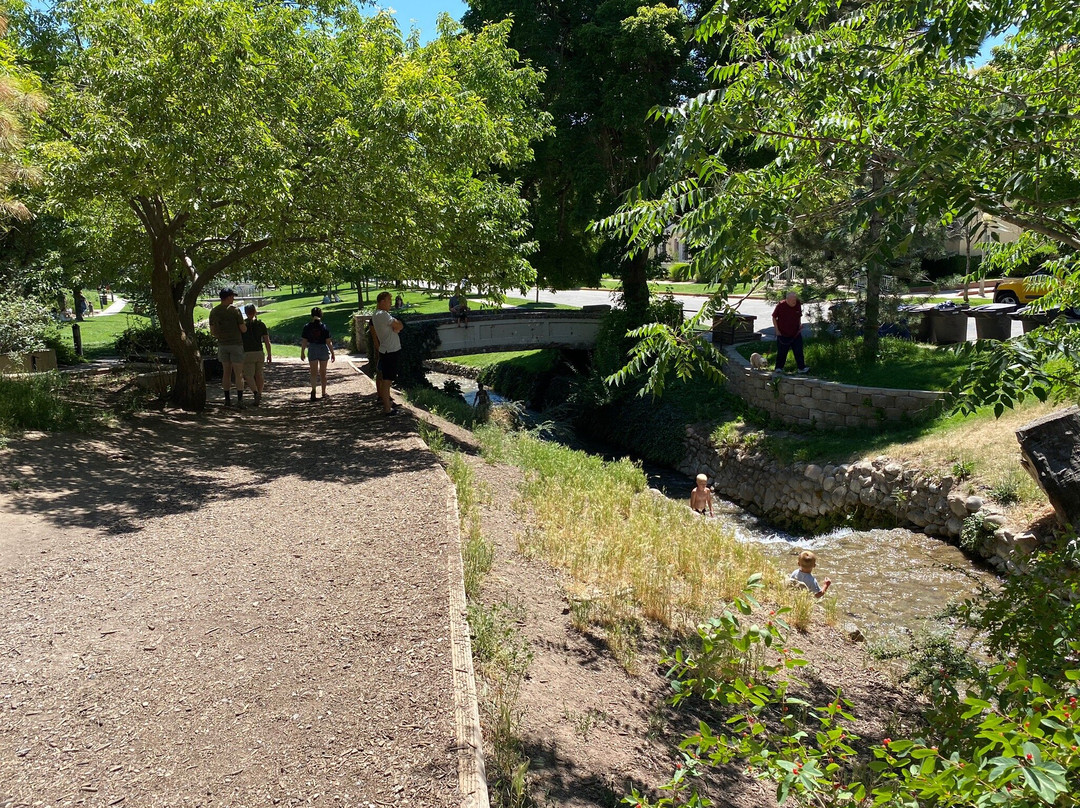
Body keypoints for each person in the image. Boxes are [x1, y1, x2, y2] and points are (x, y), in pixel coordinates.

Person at [208, 288, 247, 407]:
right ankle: (240, 400)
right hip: (236, 344)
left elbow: (213, 331)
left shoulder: (214, 311)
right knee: (238, 373)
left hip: (223, 344)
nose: (233, 299)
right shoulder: (235, 311)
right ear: (228, 297)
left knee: (226, 373)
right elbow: (243, 329)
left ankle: (227, 400)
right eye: (232, 296)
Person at [371, 291, 403, 415]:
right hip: (390, 351)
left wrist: (397, 326)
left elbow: (398, 326)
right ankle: (387, 408)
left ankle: (388, 405)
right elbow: (399, 325)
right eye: (389, 301)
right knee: (387, 380)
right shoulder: (382, 315)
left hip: (388, 350)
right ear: (382, 301)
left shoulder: (379, 314)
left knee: (387, 379)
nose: (391, 303)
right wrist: (397, 325)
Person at [300, 307, 334, 401]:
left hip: (312, 348)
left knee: (313, 372)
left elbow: (304, 341)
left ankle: (314, 389)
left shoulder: (307, 327)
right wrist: (332, 353)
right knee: (323, 372)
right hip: (323, 348)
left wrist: (302, 352)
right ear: (321, 315)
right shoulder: (324, 327)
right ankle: (323, 392)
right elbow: (328, 342)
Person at [241, 304, 272, 406]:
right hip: (259, 352)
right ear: (255, 311)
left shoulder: (243, 324)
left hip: (247, 352)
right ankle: (259, 393)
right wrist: (269, 354)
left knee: (248, 375)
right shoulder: (261, 324)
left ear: (246, 312)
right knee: (259, 374)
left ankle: (255, 393)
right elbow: (267, 341)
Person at [772, 291, 809, 374]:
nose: (794, 302)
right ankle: (778, 368)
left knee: (799, 351)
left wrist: (799, 325)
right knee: (782, 352)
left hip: (796, 333)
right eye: (792, 300)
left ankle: (801, 368)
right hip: (783, 333)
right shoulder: (781, 305)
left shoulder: (797, 304)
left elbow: (798, 315)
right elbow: (774, 317)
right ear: (787, 300)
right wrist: (777, 330)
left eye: (795, 300)